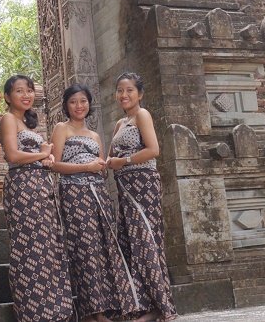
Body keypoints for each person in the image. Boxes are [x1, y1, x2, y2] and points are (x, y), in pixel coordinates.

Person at [51, 84, 139, 322]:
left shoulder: (95, 136)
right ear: (66, 106)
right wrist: (85, 167)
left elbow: (101, 166)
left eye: (83, 101)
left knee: (103, 248)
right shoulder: (61, 129)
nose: (79, 106)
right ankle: (92, 312)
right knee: (84, 248)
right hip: (74, 194)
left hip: (98, 194)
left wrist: (99, 168)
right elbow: (55, 165)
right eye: (73, 102)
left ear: (89, 104)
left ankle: (110, 307)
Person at [0, 74, 74, 322]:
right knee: (29, 249)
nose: (26, 95)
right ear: (8, 97)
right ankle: (34, 313)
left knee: (49, 246)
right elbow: (13, 156)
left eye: (29, 90)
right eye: (19, 91)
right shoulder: (8, 119)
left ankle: (56, 310)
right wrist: (42, 155)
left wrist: (47, 159)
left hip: (41, 186)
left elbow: (35, 156)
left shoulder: (28, 124)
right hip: (23, 188)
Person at [106, 72, 177, 322]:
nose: (123, 95)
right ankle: (144, 306)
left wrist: (123, 161)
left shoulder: (142, 115)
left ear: (140, 94)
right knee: (131, 246)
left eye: (129, 90)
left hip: (143, 186)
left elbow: (153, 150)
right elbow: (109, 159)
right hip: (124, 188)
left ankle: (162, 306)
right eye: (119, 90)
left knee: (147, 242)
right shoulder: (119, 124)